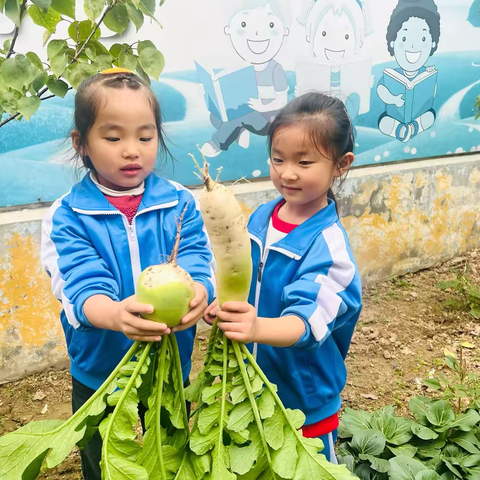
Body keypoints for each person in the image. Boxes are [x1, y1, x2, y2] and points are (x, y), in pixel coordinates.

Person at [41, 68, 215, 479]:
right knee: (101, 458)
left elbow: (196, 257)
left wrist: (201, 291)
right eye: (113, 137)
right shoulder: (67, 216)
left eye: (145, 135)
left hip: (170, 362)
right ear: (81, 144)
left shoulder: (180, 202)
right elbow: (80, 285)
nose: (131, 150)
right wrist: (115, 315)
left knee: (170, 451)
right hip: (100, 370)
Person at [205, 92, 362, 463]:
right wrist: (222, 303)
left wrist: (255, 327)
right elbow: (238, 273)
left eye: (304, 162)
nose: (287, 173)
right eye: (278, 159)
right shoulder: (261, 216)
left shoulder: (329, 247)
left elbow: (307, 324)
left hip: (304, 401)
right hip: (252, 389)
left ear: (341, 164)